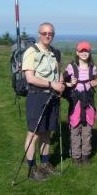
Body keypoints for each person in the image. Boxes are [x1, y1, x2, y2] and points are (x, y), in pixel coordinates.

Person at [22, 22, 64, 182]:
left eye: (51, 33)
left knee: (47, 132)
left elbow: (57, 73)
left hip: (52, 97)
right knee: (33, 134)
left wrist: (59, 82)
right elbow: (30, 77)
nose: (48, 36)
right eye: (45, 33)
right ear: (39, 34)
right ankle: (32, 168)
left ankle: (45, 164)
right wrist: (50, 84)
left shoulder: (54, 52)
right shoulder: (32, 51)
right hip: (37, 96)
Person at [63, 41, 97, 166]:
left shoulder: (92, 67)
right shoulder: (71, 67)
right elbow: (62, 82)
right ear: (77, 53)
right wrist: (70, 84)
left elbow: (95, 80)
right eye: (82, 51)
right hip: (76, 103)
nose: (84, 53)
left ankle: (85, 155)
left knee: (87, 130)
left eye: (87, 51)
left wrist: (96, 82)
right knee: (75, 129)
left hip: (88, 102)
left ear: (89, 52)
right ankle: (76, 156)